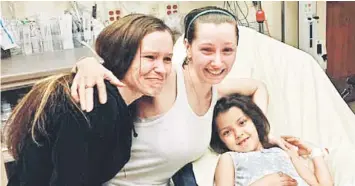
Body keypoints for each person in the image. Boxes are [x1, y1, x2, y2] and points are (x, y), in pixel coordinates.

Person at [70, 6, 291, 186]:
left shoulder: (216, 89)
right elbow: (118, 67)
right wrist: (87, 64)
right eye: (206, 50)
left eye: (227, 50)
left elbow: (257, 87)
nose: (217, 62)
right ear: (187, 46)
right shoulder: (162, 79)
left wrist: (263, 134)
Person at [4, 14, 174, 185]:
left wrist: (86, 62)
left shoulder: (119, 99)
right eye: (150, 57)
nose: (161, 69)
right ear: (123, 56)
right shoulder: (97, 104)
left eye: (167, 59)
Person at [211, 93, 334, 186]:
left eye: (242, 123)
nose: (238, 134)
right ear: (221, 140)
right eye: (227, 132)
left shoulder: (283, 153)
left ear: (254, 120)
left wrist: (315, 152)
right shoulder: (229, 158)